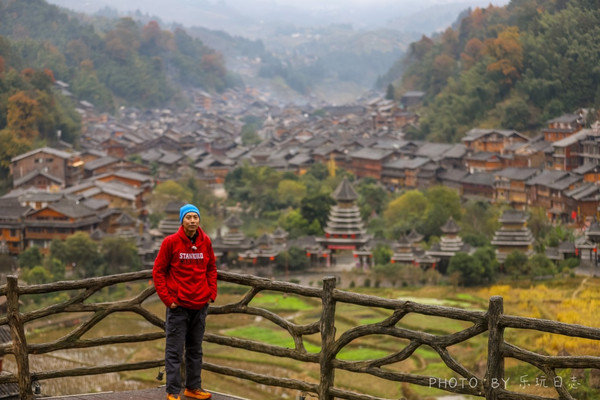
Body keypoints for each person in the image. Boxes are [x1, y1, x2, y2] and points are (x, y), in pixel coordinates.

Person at [153, 204, 218, 400]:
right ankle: (173, 392)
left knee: (195, 350)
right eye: (188, 217)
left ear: (199, 220)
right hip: (178, 306)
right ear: (182, 220)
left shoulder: (205, 241)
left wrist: (211, 293)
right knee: (174, 351)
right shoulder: (170, 242)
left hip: (200, 305)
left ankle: (193, 387)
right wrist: (168, 300)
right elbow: (158, 272)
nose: (192, 221)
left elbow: (212, 268)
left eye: (195, 217)